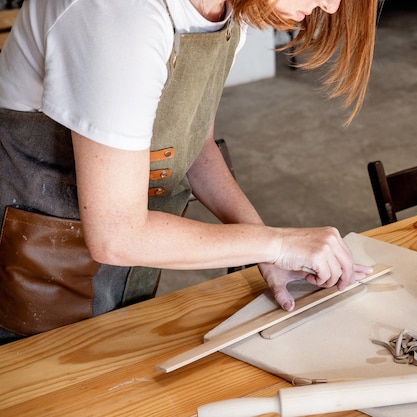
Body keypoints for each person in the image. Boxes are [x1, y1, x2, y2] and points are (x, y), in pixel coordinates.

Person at [0, 0, 378, 344]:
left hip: (122, 274)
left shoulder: (226, 10)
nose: (330, 7)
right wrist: (277, 243)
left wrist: (271, 253)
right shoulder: (120, 15)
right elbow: (116, 234)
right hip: (34, 278)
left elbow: (195, 146)